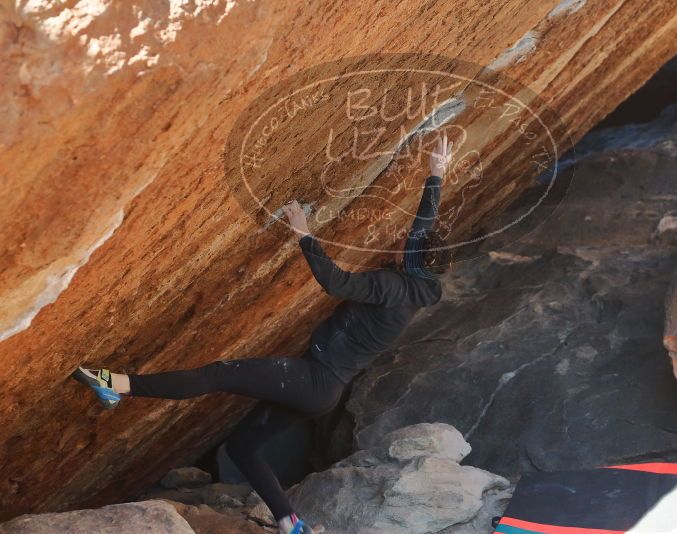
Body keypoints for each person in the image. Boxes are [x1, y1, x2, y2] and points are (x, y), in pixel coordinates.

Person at [71, 133, 455, 534]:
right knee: (242, 448)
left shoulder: (391, 289)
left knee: (219, 374)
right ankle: (291, 524)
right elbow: (421, 230)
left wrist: (304, 234)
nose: (401, 240)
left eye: (406, 245)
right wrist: (436, 176)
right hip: (323, 392)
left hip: (310, 380)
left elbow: (336, 283)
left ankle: (116, 385)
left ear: (411, 259)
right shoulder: (417, 284)